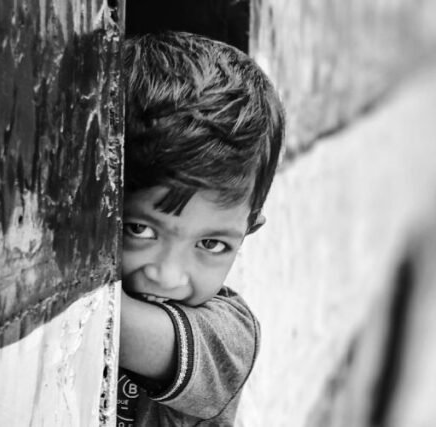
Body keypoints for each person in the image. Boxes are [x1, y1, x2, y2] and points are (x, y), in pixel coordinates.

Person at [116, 31, 285, 426]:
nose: (168, 276)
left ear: (249, 230)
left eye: (210, 243)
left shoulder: (228, 337)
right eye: (140, 229)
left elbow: (107, 322)